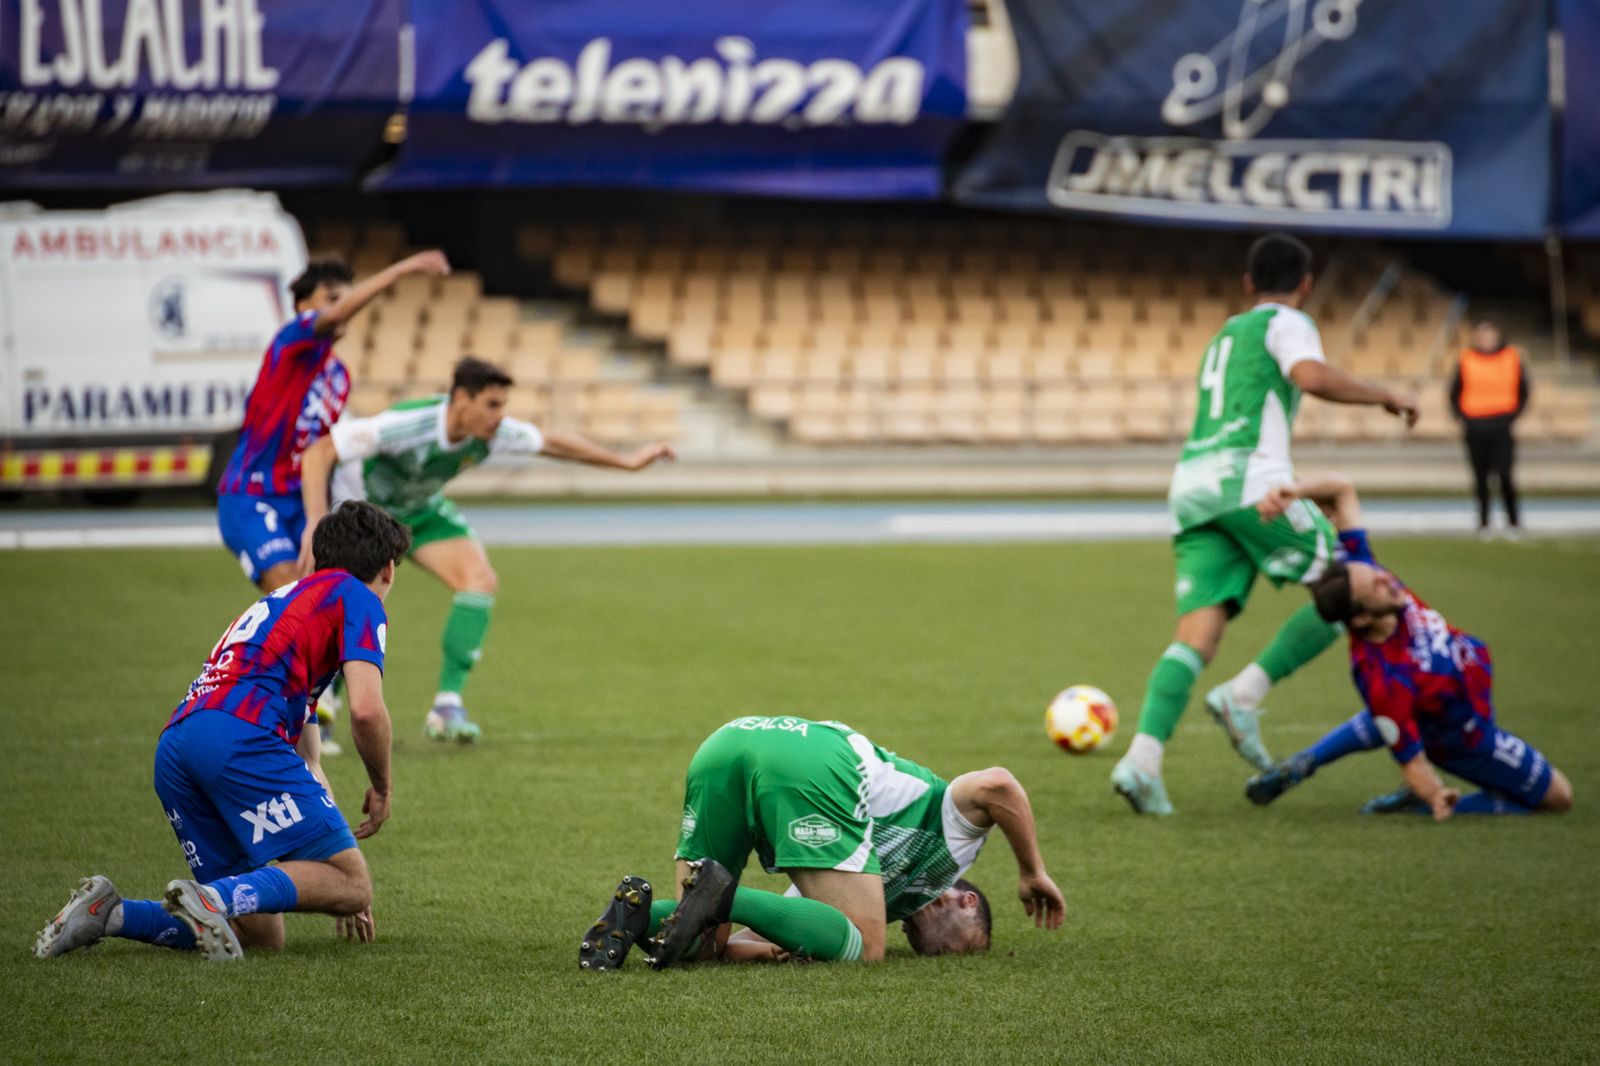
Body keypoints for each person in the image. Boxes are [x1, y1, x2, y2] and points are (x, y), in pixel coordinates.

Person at [1111, 232, 1420, 815]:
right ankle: (1244, 695)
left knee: (1196, 638)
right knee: (1353, 589)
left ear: (1248, 283)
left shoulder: (1226, 333)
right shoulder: (1287, 321)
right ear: (1305, 284)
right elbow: (1308, 375)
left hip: (1195, 489)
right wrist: (1383, 395)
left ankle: (1143, 760)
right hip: (1249, 482)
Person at [34, 501, 412, 962]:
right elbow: (367, 712)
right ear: (388, 570)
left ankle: (110, 913)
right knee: (353, 884)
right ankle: (213, 900)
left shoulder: (290, 605)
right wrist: (381, 791)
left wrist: (334, 861)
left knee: (258, 936)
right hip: (238, 737)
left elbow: (309, 761)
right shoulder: (357, 596)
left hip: (179, 747)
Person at [299, 356, 675, 743]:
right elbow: (320, 452)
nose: (499, 416)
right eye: (492, 405)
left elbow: (551, 443)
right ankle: (324, 703)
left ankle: (447, 706)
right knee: (354, 604)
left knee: (479, 580)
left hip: (421, 513)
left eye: (503, 406)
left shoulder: (490, 433)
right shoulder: (410, 425)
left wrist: (627, 463)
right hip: (368, 515)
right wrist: (315, 521)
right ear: (461, 397)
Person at [577, 715, 1065, 970]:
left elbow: (750, 938)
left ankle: (635, 912)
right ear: (967, 898)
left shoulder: (851, 893)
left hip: (726, 742)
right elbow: (999, 784)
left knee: (701, 944)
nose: (930, 948)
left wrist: (765, 951)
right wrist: (1032, 871)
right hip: (815, 759)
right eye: (963, 947)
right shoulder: (955, 843)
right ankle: (722, 892)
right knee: (866, 948)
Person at [1243, 474, 1572, 818]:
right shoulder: (1385, 677)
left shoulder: (1367, 579)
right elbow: (1411, 760)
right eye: (1377, 586)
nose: (1386, 578)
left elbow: (1342, 489)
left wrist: (1293, 492)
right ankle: (1413, 806)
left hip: (1436, 705)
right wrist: (1432, 794)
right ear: (1360, 621)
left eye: (1377, 574)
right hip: (1467, 739)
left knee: (1391, 716)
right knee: (1559, 798)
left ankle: (1305, 762)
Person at [216, 249, 450, 593]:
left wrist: (320, 514)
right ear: (302, 306)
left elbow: (320, 449)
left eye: (346, 297)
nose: (344, 307)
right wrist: (399, 270)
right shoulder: (290, 341)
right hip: (253, 493)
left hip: (300, 499)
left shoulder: (339, 376)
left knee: (328, 597)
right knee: (287, 589)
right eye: (332, 298)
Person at [1450, 319, 1529, 539]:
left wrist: (1511, 416)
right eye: (1482, 335)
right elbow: (1453, 394)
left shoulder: (1511, 357)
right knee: (1480, 477)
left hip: (1502, 424)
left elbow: (1524, 392)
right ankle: (1484, 523)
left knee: (1505, 474)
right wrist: (1465, 419)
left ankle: (1513, 522)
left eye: (1490, 335)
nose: (1486, 340)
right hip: (1476, 425)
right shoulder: (1466, 359)